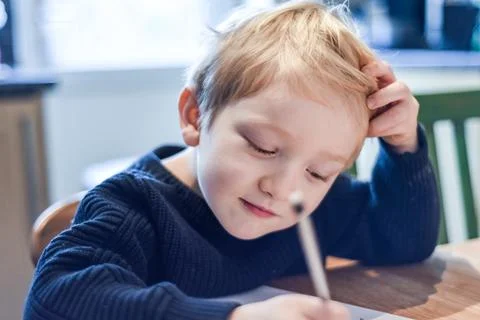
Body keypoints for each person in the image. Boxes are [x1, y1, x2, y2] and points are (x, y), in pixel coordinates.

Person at [24, 1, 440, 319]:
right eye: (262, 147)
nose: (283, 188)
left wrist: (402, 149)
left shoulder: (307, 207)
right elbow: (55, 298)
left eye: (319, 172)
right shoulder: (132, 208)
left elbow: (401, 243)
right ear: (195, 115)